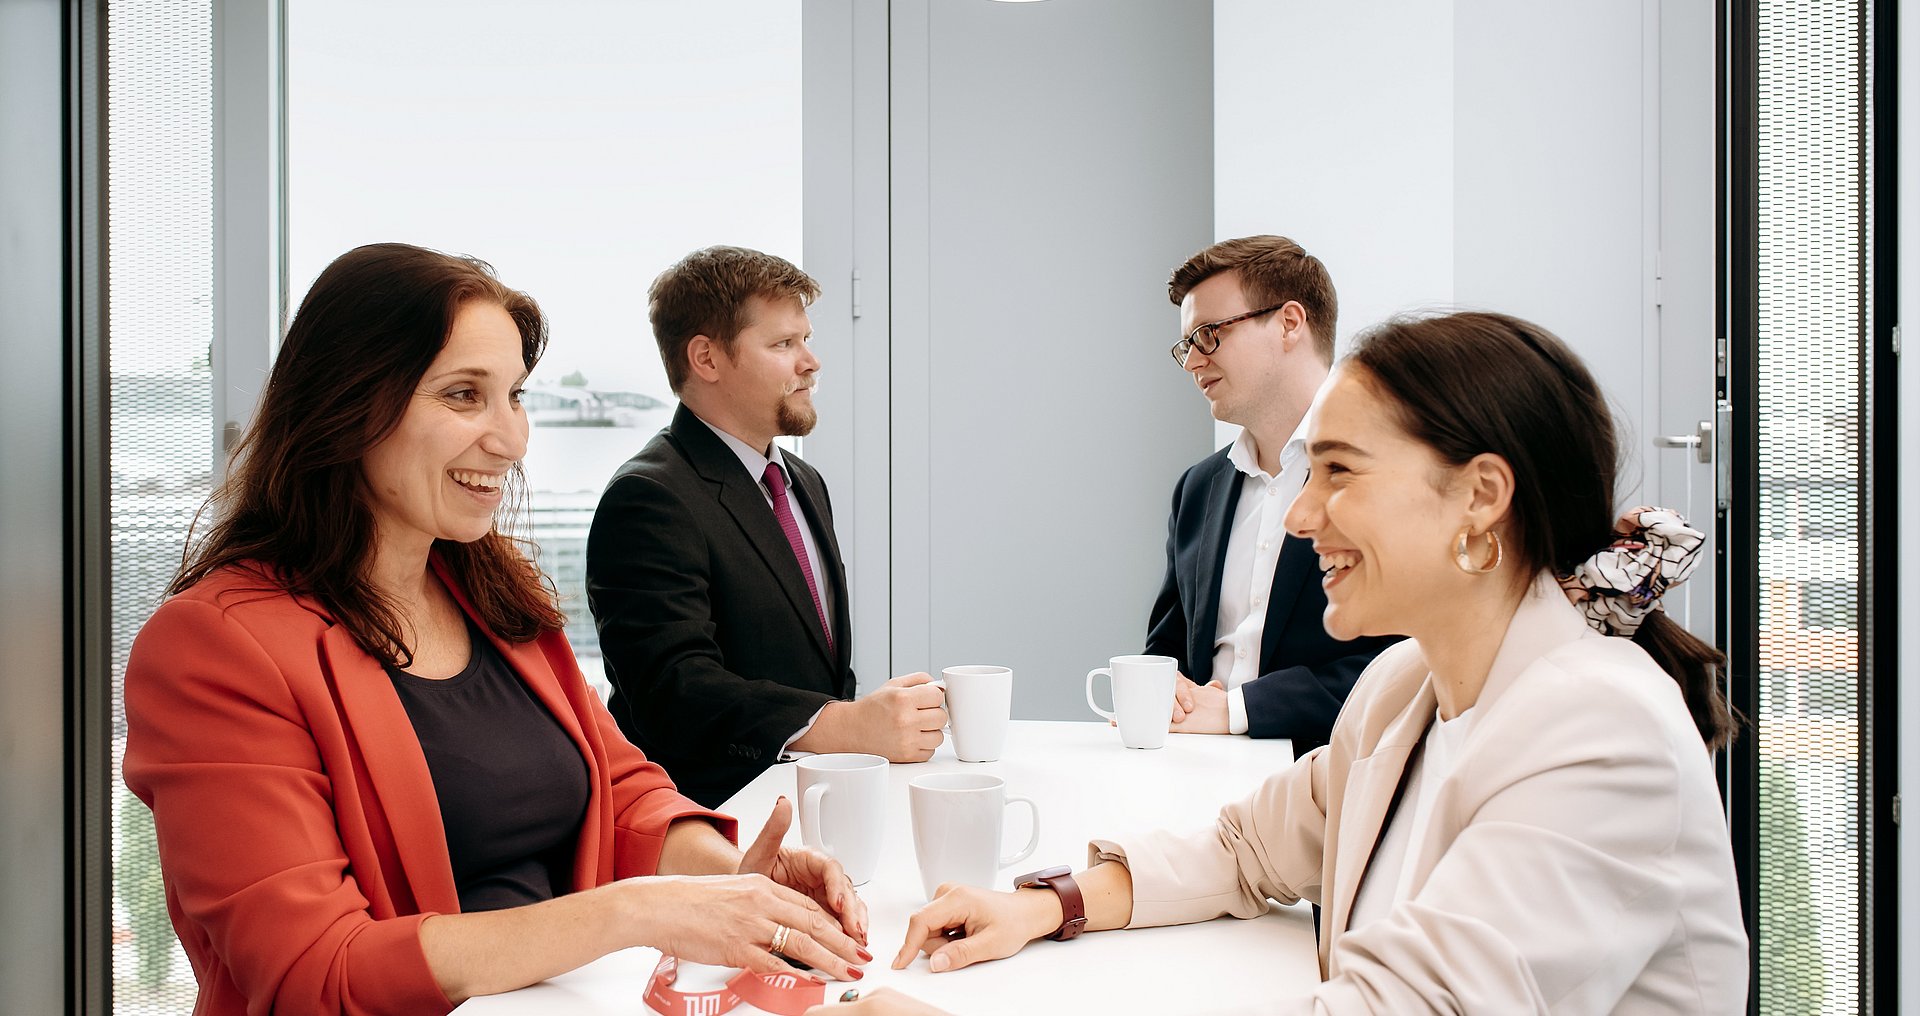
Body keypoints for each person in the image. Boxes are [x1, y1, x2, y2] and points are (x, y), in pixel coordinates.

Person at [869, 312, 1748, 1013]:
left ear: (1481, 497)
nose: (1300, 516)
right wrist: (1040, 905)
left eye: (1337, 473)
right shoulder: (1404, 685)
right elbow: (1247, 847)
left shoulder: (1602, 734)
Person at [123, 243, 874, 1016]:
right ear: (346, 405)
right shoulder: (210, 649)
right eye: (462, 396)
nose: (511, 440)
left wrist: (730, 875)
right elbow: (316, 970)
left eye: (513, 396)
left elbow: (618, 794)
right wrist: (638, 910)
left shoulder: (490, 594)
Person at [587, 246, 944, 806]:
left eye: (806, 339)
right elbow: (673, 692)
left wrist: (856, 734)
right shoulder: (648, 497)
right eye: (783, 344)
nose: (811, 361)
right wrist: (847, 726)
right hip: (714, 826)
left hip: (817, 807)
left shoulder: (803, 481)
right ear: (706, 358)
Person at [1149, 236, 1399, 750]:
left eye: (1209, 333)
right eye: (1187, 345)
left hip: (1329, 782)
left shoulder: (1387, 463)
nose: (1194, 361)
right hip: (1192, 771)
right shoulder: (1197, 488)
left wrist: (1239, 710)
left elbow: (1406, 658)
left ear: (1290, 323)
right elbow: (1166, 649)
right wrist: (1161, 691)